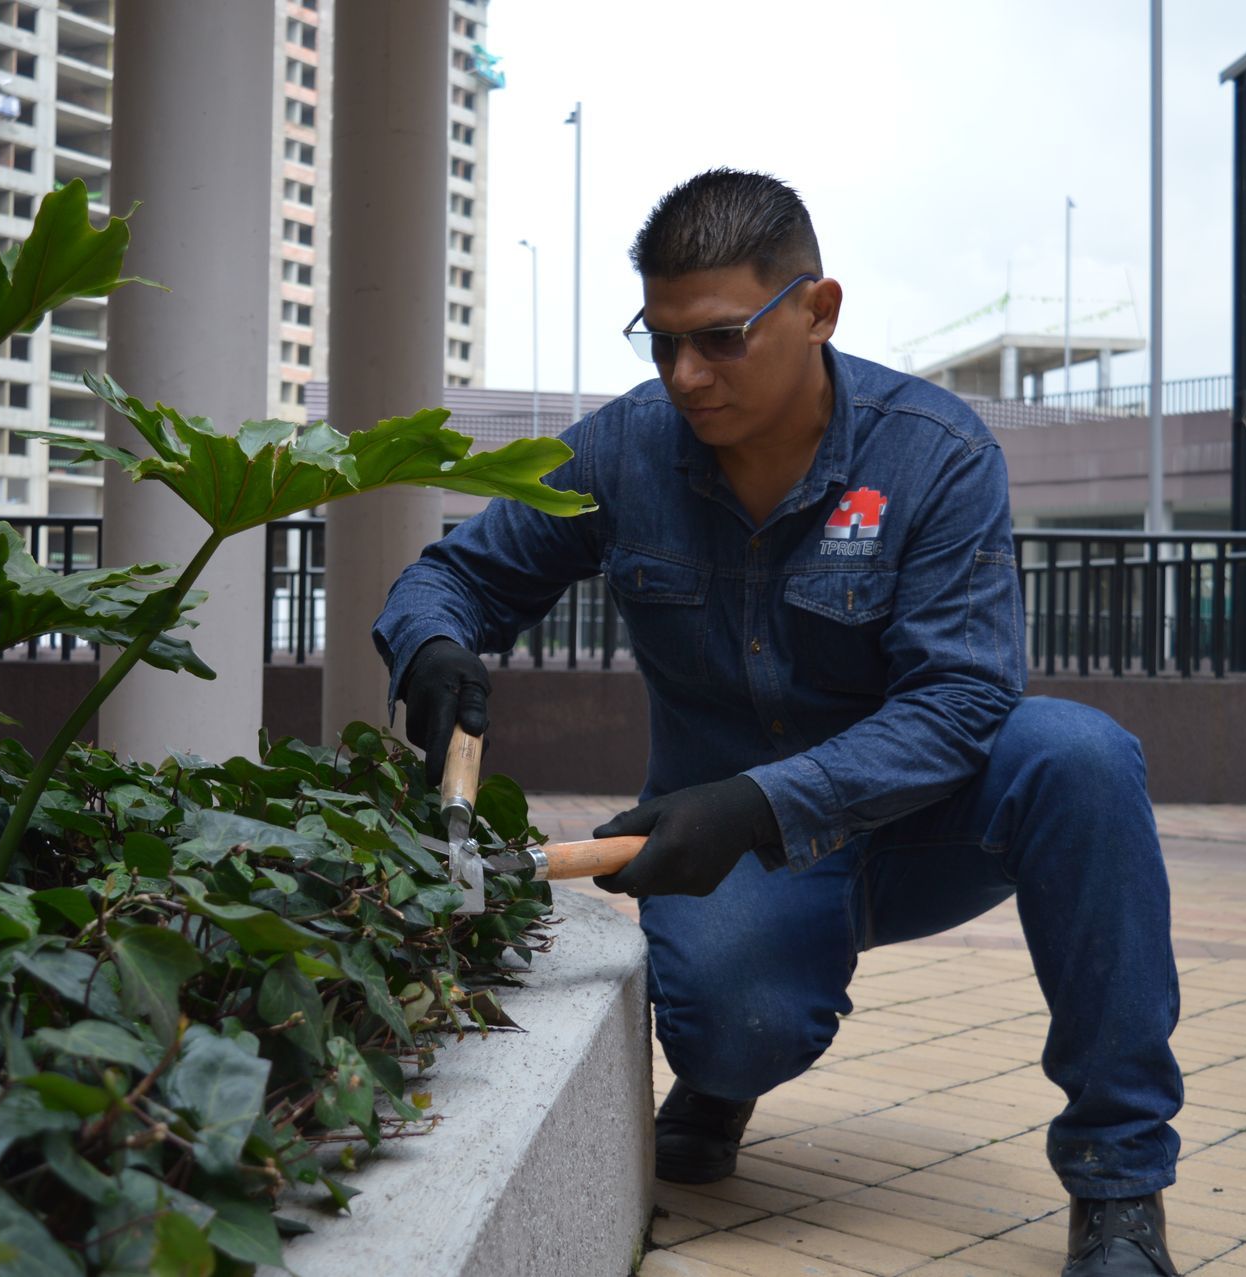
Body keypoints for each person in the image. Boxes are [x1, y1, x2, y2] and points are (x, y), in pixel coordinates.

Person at [373, 170, 1183, 1277]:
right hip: (735, 854)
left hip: (914, 825)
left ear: (818, 308)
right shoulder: (622, 451)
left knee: (1081, 756)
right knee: (734, 1018)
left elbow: (961, 703)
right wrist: (432, 644)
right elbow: (453, 576)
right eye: (659, 343)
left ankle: (1122, 1185)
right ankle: (722, 1071)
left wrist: (761, 799)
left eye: (717, 339)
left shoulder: (934, 454)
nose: (684, 376)